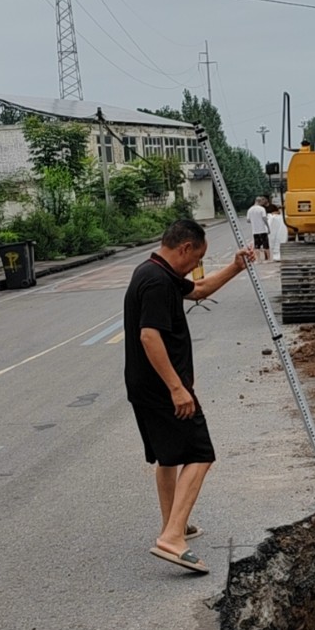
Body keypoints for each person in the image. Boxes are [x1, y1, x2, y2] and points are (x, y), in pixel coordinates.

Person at [124, 217, 254, 575]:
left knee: (168, 458)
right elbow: (149, 336)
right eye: (197, 258)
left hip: (144, 386)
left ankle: (173, 525)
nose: (197, 266)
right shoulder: (156, 282)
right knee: (200, 453)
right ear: (184, 248)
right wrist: (177, 388)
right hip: (161, 389)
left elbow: (198, 290)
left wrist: (235, 267)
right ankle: (171, 538)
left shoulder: (156, 272)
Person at [247, 196, 270, 261]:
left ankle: (258, 259)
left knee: (257, 246)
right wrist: (268, 227)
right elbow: (264, 218)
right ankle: (268, 259)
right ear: (260, 202)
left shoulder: (250, 210)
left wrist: (254, 220)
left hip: (255, 230)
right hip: (263, 229)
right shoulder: (262, 209)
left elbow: (248, 220)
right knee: (266, 245)